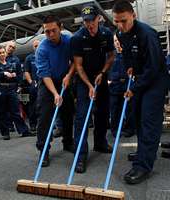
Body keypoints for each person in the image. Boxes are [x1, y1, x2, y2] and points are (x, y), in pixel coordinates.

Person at [112, 0, 168, 184]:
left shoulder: (147, 34)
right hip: (140, 78)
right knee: (137, 117)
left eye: (124, 21)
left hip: (154, 81)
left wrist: (134, 88)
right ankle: (144, 150)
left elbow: (153, 67)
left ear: (133, 16)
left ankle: (143, 166)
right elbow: (128, 55)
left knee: (149, 121)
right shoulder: (121, 33)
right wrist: (130, 68)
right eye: (116, 21)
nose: (120, 25)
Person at [71, 4, 115, 173]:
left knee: (103, 113)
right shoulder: (77, 38)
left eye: (91, 20)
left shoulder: (106, 34)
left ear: (99, 19)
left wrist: (103, 73)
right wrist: (89, 85)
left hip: (101, 77)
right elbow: (78, 66)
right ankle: (80, 157)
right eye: (85, 21)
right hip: (84, 80)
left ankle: (100, 143)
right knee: (82, 117)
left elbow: (111, 56)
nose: (89, 24)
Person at [35, 15, 75, 167]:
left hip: (64, 79)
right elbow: (44, 74)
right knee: (44, 116)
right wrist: (55, 94)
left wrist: (69, 75)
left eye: (54, 30)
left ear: (60, 28)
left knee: (68, 112)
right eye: (47, 32)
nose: (51, 35)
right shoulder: (42, 49)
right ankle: (43, 150)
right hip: (47, 83)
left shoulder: (68, 41)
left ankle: (68, 142)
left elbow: (75, 61)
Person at [0, 45, 31, 140]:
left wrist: (13, 75)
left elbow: (18, 74)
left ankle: (24, 131)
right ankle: (5, 133)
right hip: (0, 89)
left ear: (5, 53)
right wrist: (3, 73)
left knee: (15, 111)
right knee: (2, 112)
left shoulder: (10, 62)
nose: (2, 54)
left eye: (3, 52)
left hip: (11, 89)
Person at [108, 34, 127, 138]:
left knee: (122, 109)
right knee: (114, 110)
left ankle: (122, 127)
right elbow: (106, 68)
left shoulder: (126, 54)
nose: (117, 42)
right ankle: (114, 130)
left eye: (118, 40)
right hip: (114, 86)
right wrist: (108, 80)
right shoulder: (111, 55)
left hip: (124, 86)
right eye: (115, 40)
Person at [24, 39, 40, 133]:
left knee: (46, 104)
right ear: (33, 47)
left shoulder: (45, 55)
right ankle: (33, 125)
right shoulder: (29, 58)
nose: (37, 47)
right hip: (34, 84)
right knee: (33, 106)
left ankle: (49, 124)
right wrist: (31, 82)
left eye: (38, 45)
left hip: (45, 83)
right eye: (35, 46)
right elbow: (26, 71)